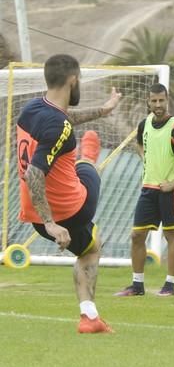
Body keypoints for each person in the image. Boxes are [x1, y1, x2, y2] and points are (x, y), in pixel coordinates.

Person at [16, 54, 122, 333]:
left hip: (35, 216)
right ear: (73, 80)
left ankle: (90, 318)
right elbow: (35, 173)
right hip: (72, 209)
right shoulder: (57, 125)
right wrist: (53, 223)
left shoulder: (31, 109)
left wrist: (102, 110)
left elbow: (64, 121)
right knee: (88, 168)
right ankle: (89, 152)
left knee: (90, 248)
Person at [114, 83, 174, 297]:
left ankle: (169, 286)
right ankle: (137, 285)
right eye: (154, 101)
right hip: (148, 189)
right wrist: (146, 158)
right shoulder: (144, 124)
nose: (158, 105)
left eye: (161, 100)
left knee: (171, 235)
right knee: (137, 235)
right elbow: (139, 144)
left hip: (170, 190)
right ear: (148, 102)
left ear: (167, 100)